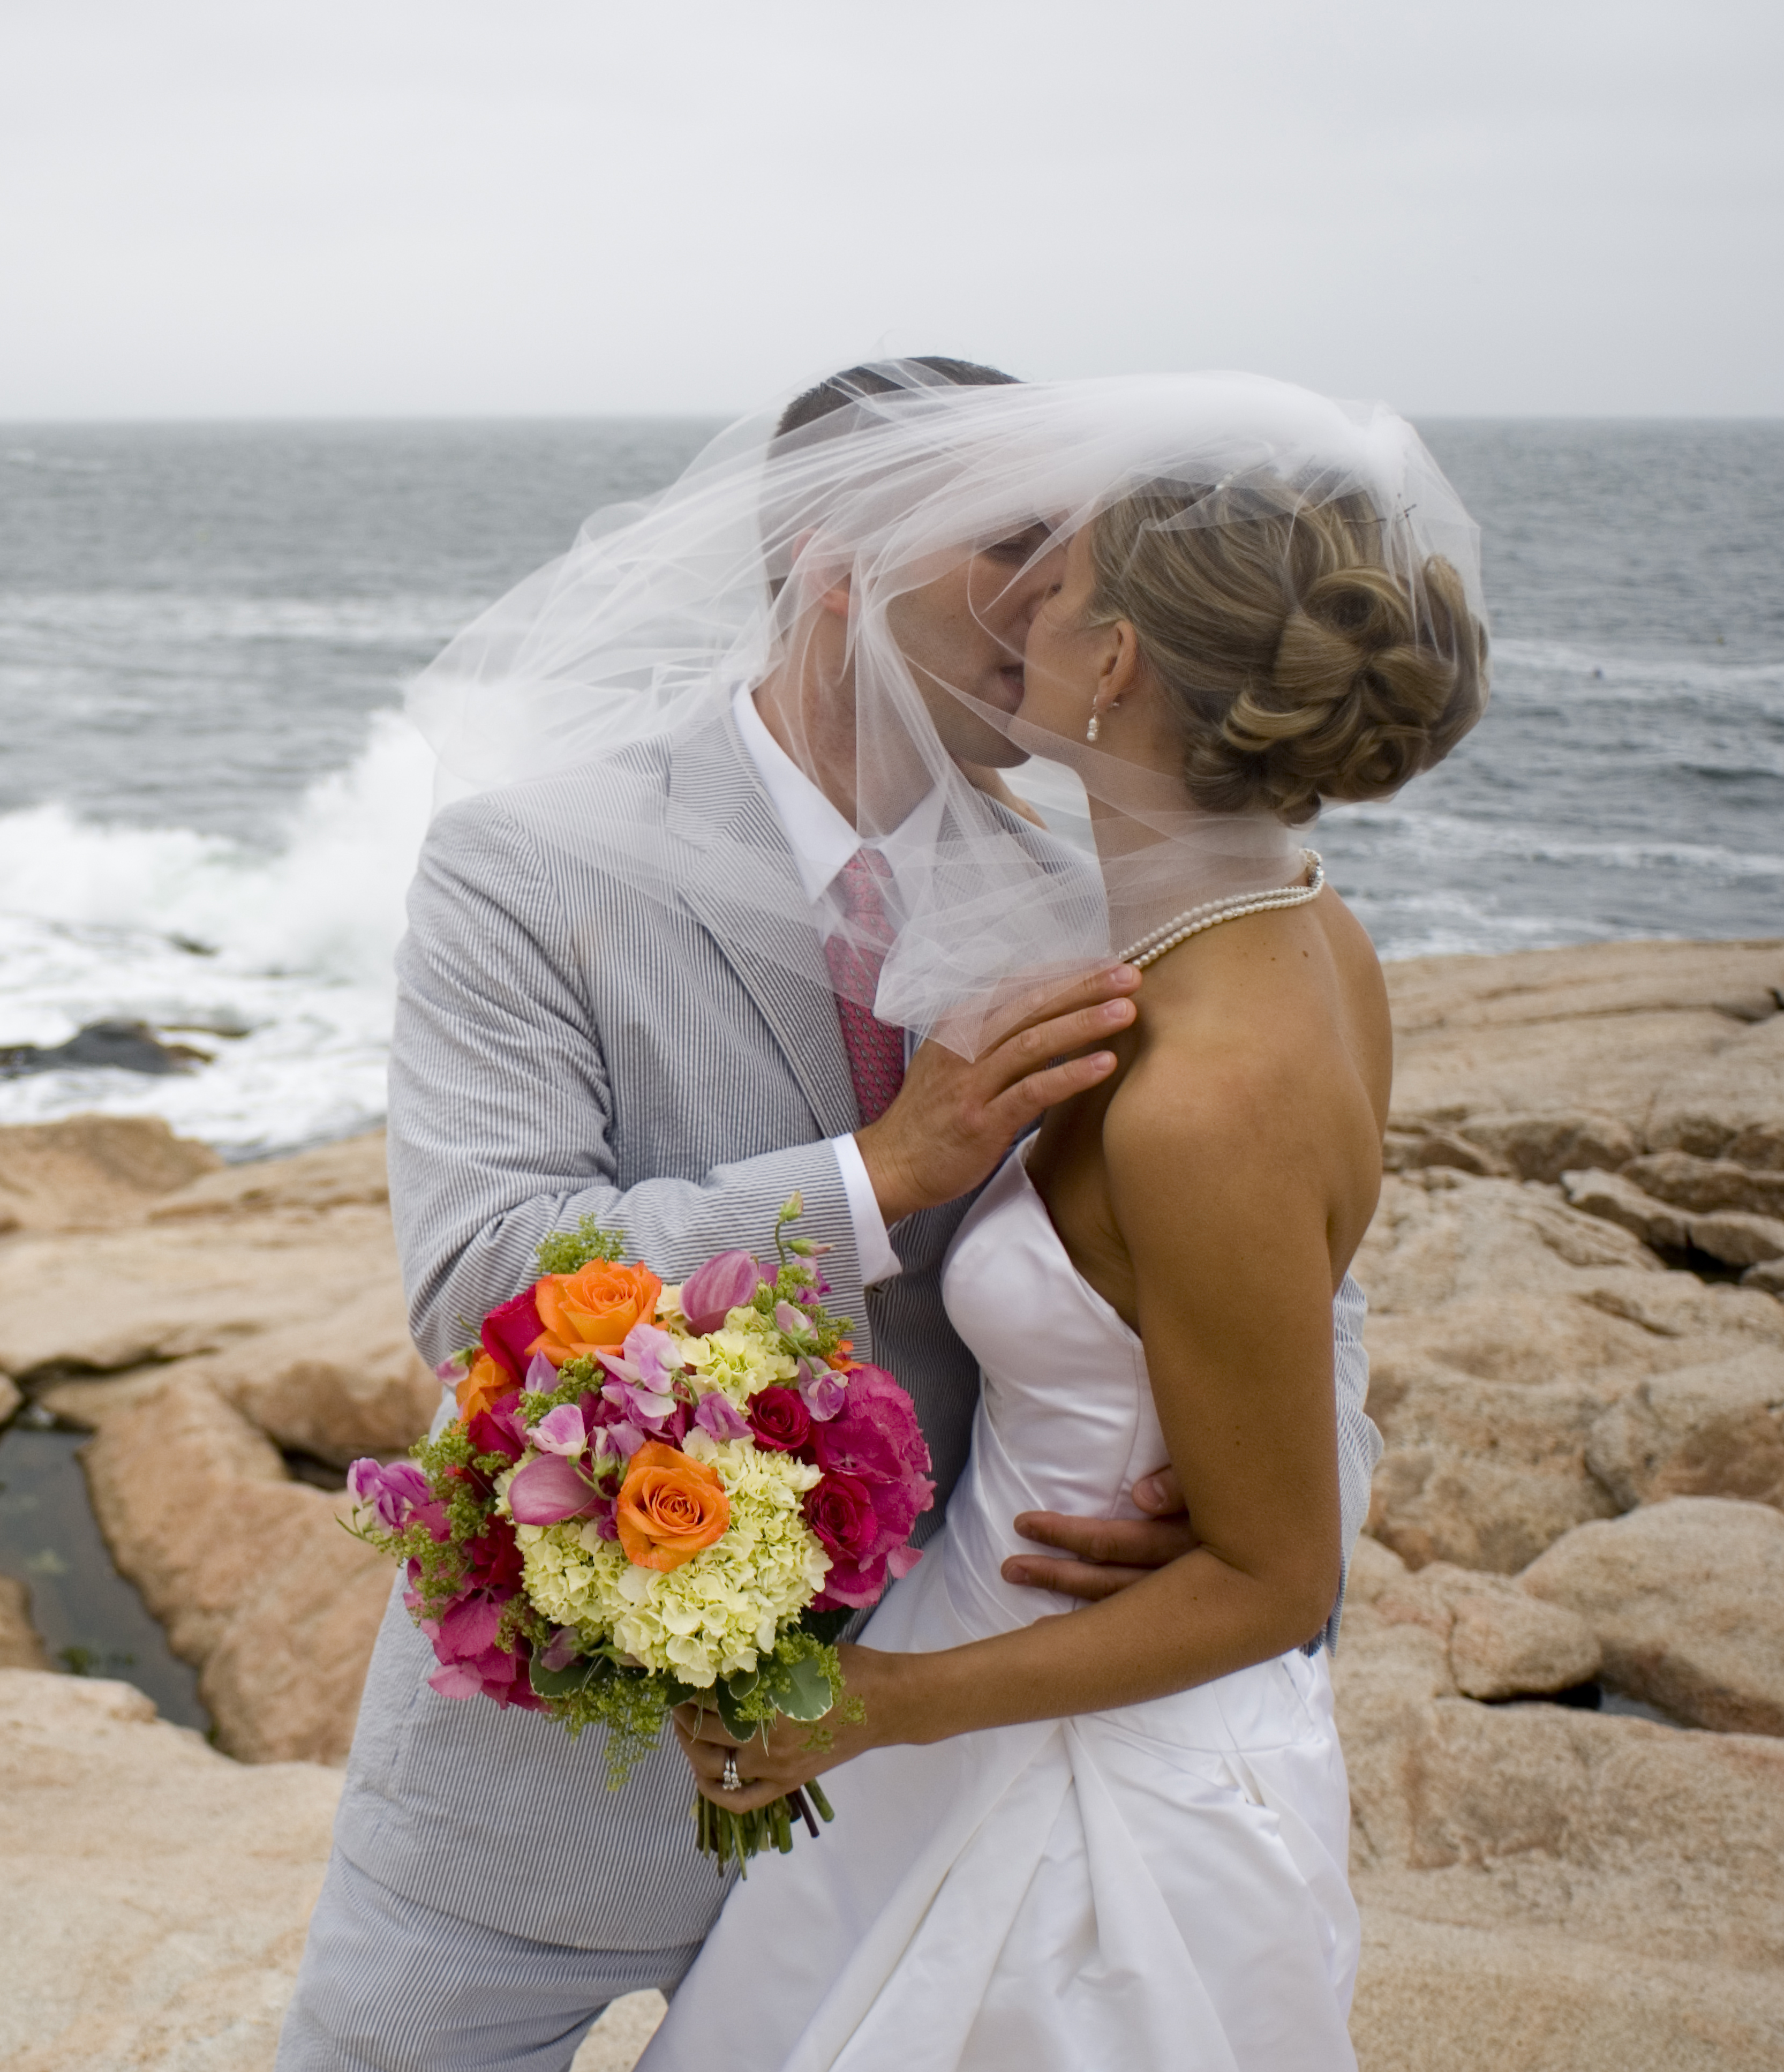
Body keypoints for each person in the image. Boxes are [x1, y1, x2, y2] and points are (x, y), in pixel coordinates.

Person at [276, 362, 1398, 2071]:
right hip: (541, 1801)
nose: (1047, 601)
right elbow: (476, 1283)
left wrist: (1223, 1502)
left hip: (926, 1773)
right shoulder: (531, 867)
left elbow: (1258, 1253)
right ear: (831, 558)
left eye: (1064, 551)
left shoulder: (1090, 905)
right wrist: (880, 1171)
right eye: (1004, 545)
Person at [645, 379, 1487, 2069]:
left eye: (1059, 570)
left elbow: (1272, 1575)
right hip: (1007, 1675)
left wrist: (872, 1706)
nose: (1013, 597)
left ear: (1115, 663)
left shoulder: (1201, 1084)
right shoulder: (1313, 937)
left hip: (1086, 1792)